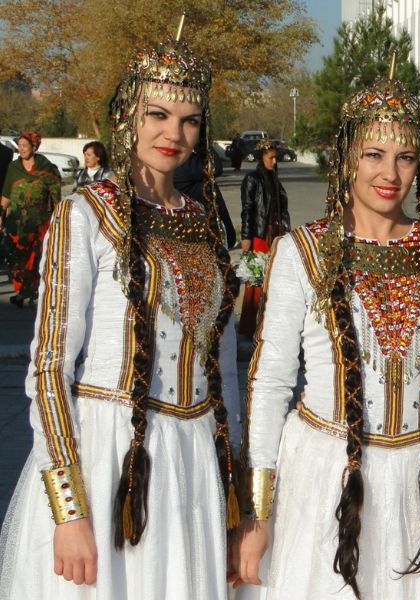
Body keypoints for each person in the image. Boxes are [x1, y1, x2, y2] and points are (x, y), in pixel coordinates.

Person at [0, 33, 241, 600]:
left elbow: (226, 372)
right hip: (109, 462)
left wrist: (236, 496)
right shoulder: (83, 214)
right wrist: (68, 509)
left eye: (189, 120)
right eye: (158, 114)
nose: (173, 134)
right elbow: (49, 367)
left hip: (193, 464)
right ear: (127, 114)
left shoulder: (205, 223)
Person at [232, 65, 420, 599]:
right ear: (346, 157)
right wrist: (259, 510)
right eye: (374, 155)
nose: (391, 173)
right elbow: (268, 382)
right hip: (326, 476)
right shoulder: (302, 251)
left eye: (406, 157)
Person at [0, 131, 61, 306]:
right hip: (17, 224)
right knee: (16, 257)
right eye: (19, 146)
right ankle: (22, 289)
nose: (21, 149)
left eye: (25, 146)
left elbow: (55, 195)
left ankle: (30, 291)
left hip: (40, 222)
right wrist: (1, 214)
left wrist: (57, 217)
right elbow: (6, 194)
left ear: (34, 147)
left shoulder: (46, 167)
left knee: (36, 258)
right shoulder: (14, 168)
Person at [237, 139, 290, 336]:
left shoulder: (274, 179)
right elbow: (247, 209)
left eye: (276, 158)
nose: (275, 162)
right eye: (271, 158)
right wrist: (246, 237)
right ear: (262, 158)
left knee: (274, 279)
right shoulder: (252, 179)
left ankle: (269, 324)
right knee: (256, 280)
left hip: (275, 235)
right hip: (259, 236)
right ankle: (249, 328)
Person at [175, 145, 236, 248]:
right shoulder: (187, 162)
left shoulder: (171, 163)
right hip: (204, 228)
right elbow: (216, 167)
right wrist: (205, 143)